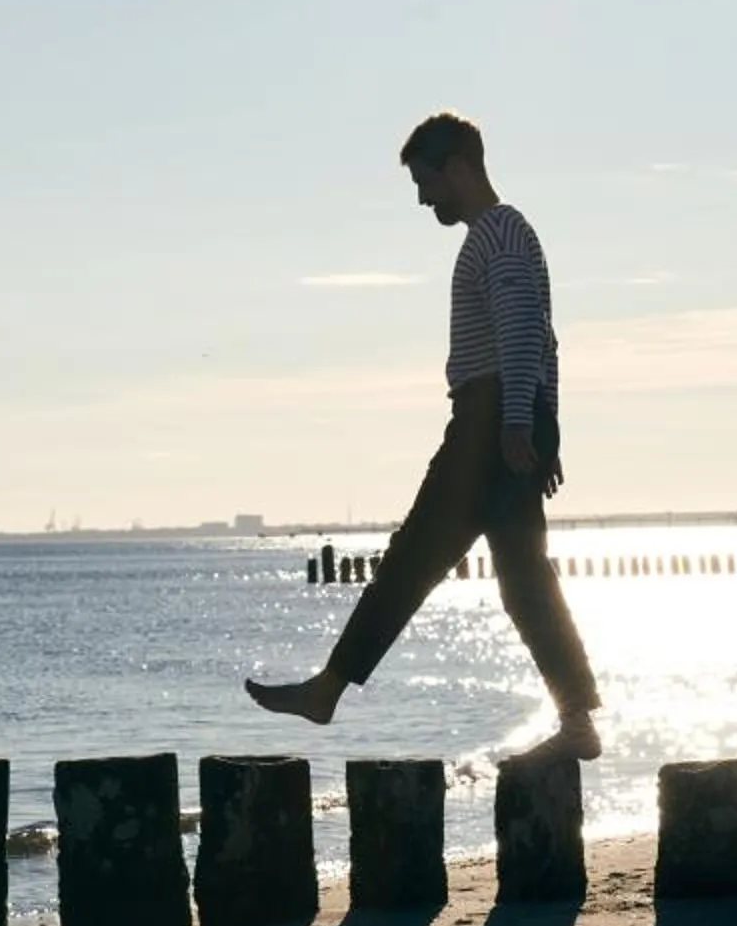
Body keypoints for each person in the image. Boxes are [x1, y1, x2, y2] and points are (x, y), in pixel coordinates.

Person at [246, 111, 602, 756]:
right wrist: (543, 422)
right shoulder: (505, 234)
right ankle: (577, 720)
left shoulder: (497, 234)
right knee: (521, 577)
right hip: (504, 414)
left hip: (489, 419)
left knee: (418, 559)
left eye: (425, 181)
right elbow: (544, 340)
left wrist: (520, 420)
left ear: (457, 167)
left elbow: (525, 328)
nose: (422, 198)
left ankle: (328, 689)